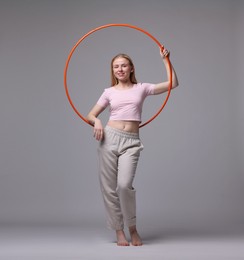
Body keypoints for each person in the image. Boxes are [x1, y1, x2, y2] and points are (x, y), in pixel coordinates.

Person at [87, 47, 179, 246]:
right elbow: (91, 114)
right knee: (109, 188)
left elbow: (174, 83)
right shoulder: (109, 92)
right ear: (113, 71)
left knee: (124, 185)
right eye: (115, 67)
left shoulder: (142, 88)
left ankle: (133, 228)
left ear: (131, 69)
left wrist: (166, 60)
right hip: (109, 139)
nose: (119, 69)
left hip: (131, 141)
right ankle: (119, 231)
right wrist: (97, 122)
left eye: (123, 66)